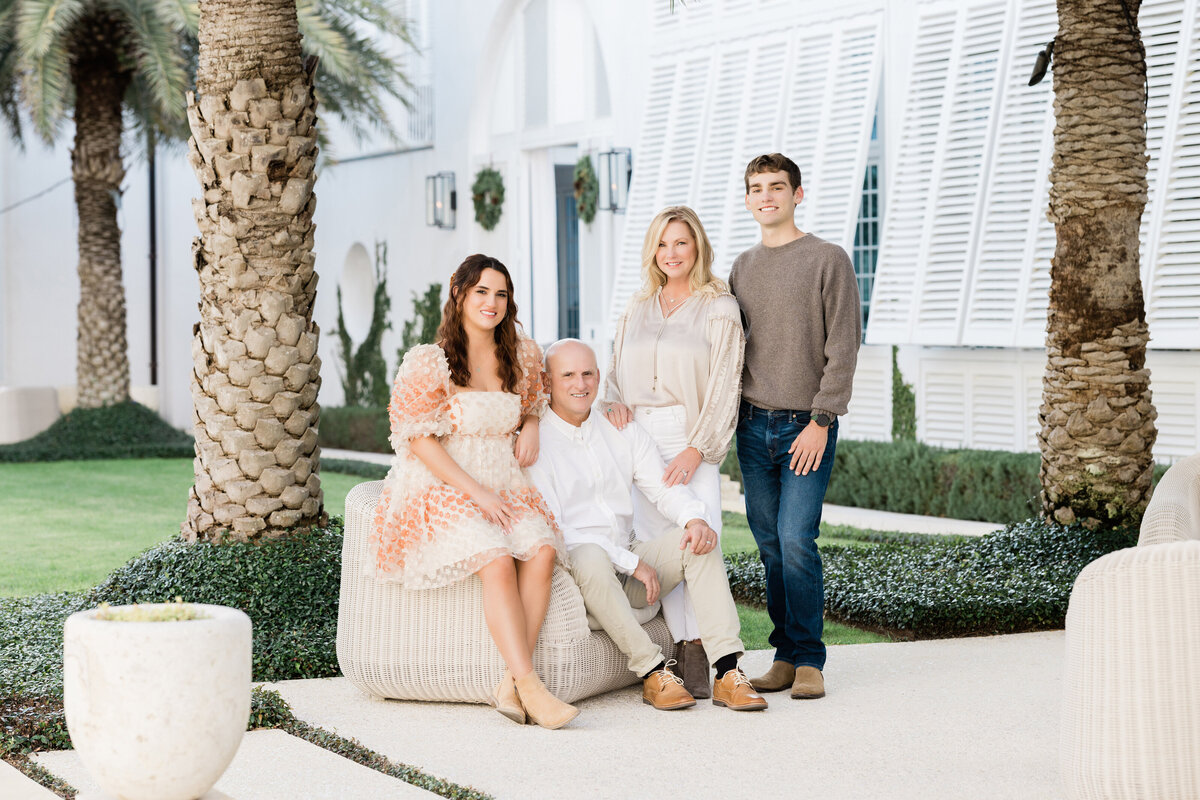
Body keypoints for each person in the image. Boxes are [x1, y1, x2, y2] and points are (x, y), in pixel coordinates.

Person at [369, 254, 577, 729]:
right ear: (458, 293)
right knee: (497, 559)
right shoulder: (430, 360)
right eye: (482, 291)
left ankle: (510, 681)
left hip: (504, 478)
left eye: (500, 294)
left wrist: (529, 424)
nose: (492, 302)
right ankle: (533, 687)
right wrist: (476, 494)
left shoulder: (522, 354)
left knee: (542, 551)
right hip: (445, 480)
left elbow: (534, 401)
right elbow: (418, 438)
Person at [527, 339, 767, 712]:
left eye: (588, 373)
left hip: (629, 563)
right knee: (589, 554)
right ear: (546, 381)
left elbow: (662, 486)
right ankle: (654, 673)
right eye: (568, 375)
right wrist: (630, 563)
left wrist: (694, 518)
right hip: (584, 575)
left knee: (697, 541)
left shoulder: (619, 428)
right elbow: (557, 530)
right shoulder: (537, 440)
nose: (581, 384)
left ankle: (727, 671)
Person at [729, 153, 861, 700]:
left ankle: (809, 659)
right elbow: (731, 349)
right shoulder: (741, 267)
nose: (767, 196)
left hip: (807, 425)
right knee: (768, 543)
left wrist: (821, 420)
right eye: (757, 188)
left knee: (796, 538)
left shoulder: (828, 260)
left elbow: (843, 346)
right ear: (747, 200)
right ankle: (784, 653)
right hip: (752, 426)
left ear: (797, 194)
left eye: (777, 187)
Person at [600, 206, 745, 698]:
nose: (671, 253)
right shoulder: (637, 307)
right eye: (662, 244)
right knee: (660, 543)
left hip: (689, 433)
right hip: (639, 438)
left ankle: (712, 653)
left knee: (698, 538)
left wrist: (698, 449)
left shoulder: (719, 306)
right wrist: (613, 403)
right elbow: (614, 372)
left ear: (697, 245)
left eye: (681, 242)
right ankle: (685, 655)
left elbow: (727, 384)